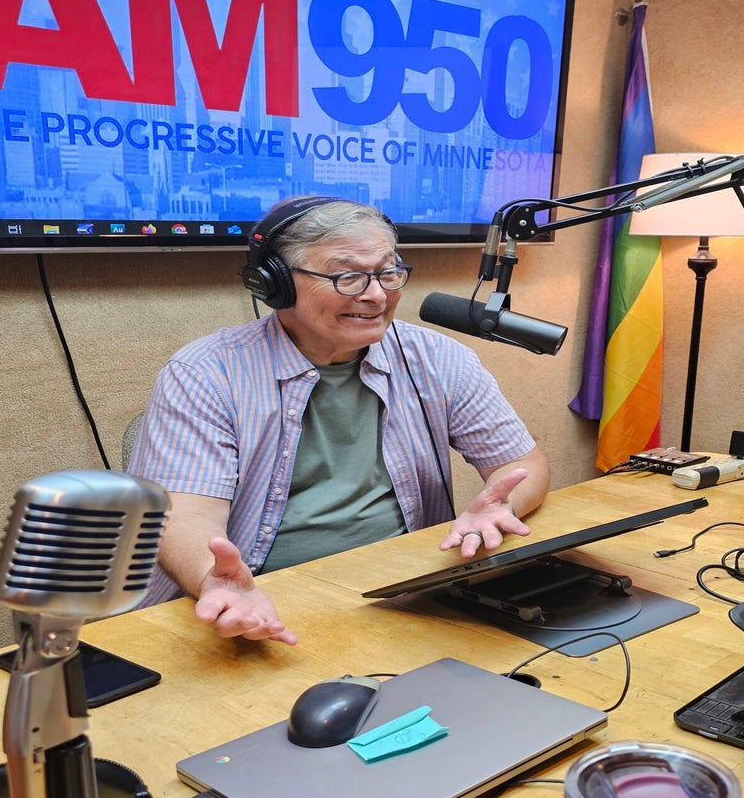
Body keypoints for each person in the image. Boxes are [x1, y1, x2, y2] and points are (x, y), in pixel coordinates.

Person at [128, 196, 549, 644]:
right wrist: (215, 579)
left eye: (388, 272)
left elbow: (521, 463)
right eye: (347, 277)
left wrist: (503, 505)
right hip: (261, 602)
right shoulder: (205, 373)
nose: (376, 295)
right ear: (274, 283)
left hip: (405, 595)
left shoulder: (437, 357)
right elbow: (185, 517)